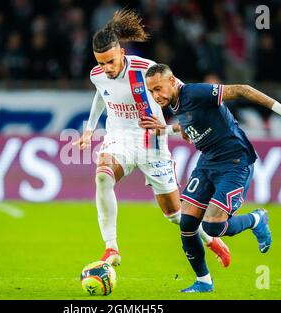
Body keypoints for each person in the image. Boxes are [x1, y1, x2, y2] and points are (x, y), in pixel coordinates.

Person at [73, 10, 231, 268]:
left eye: (111, 62)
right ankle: (111, 248)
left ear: (122, 53)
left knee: (174, 214)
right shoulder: (97, 74)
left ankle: (211, 240)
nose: (107, 69)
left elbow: (180, 91)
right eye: (101, 63)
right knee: (102, 175)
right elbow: (102, 93)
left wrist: (188, 122)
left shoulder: (146, 69)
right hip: (119, 137)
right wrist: (90, 129)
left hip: (152, 142)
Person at [142, 63, 281, 292]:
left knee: (212, 226)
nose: (155, 95)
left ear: (172, 81)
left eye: (158, 88)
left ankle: (256, 220)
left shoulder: (196, 92)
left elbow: (242, 89)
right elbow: (188, 124)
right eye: (151, 91)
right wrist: (165, 129)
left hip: (234, 162)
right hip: (208, 161)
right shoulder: (172, 102)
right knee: (187, 223)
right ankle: (204, 282)